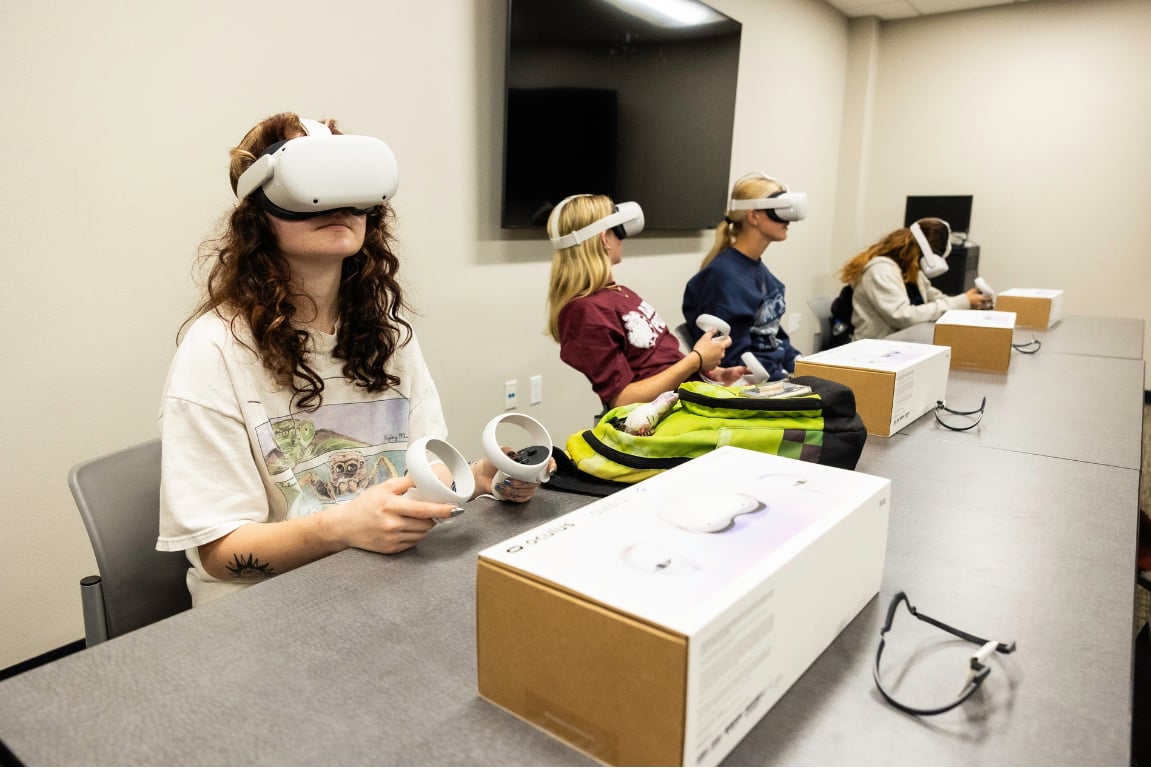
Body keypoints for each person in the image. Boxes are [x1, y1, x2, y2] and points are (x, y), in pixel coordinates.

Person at [157, 112, 549, 606]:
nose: (337, 202)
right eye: (314, 184)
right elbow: (219, 554)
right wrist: (340, 528)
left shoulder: (387, 336)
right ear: (259, 211)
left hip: (380, 586)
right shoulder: (215, 350)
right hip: (264, 611)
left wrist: (478, 477)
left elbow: (415, 475)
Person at [544, 194, 748, 411]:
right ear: (604, 238)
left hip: (690, 400)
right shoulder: (584, 312)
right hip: (664, 419)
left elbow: (657, 362)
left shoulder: (619, 293)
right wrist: (695, 360)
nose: (622, 239)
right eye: (618, 230)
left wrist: (711, 374)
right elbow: (621, 400)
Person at [682, 172, 807, 381]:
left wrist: (806, 365)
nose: (788, 219)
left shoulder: (758, 271)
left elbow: (774, 338)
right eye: (779, 210)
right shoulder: (724, 277)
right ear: (753, 216)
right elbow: (733, 360)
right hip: (755, 386)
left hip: (778, 377)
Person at [836, 217, 987, 341]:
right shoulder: (880, 271)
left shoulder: (910, 272)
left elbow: (934, 297)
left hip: (901, 344)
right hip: (875, 349)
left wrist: (967, 302)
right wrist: (960, 302)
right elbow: (903, 316)